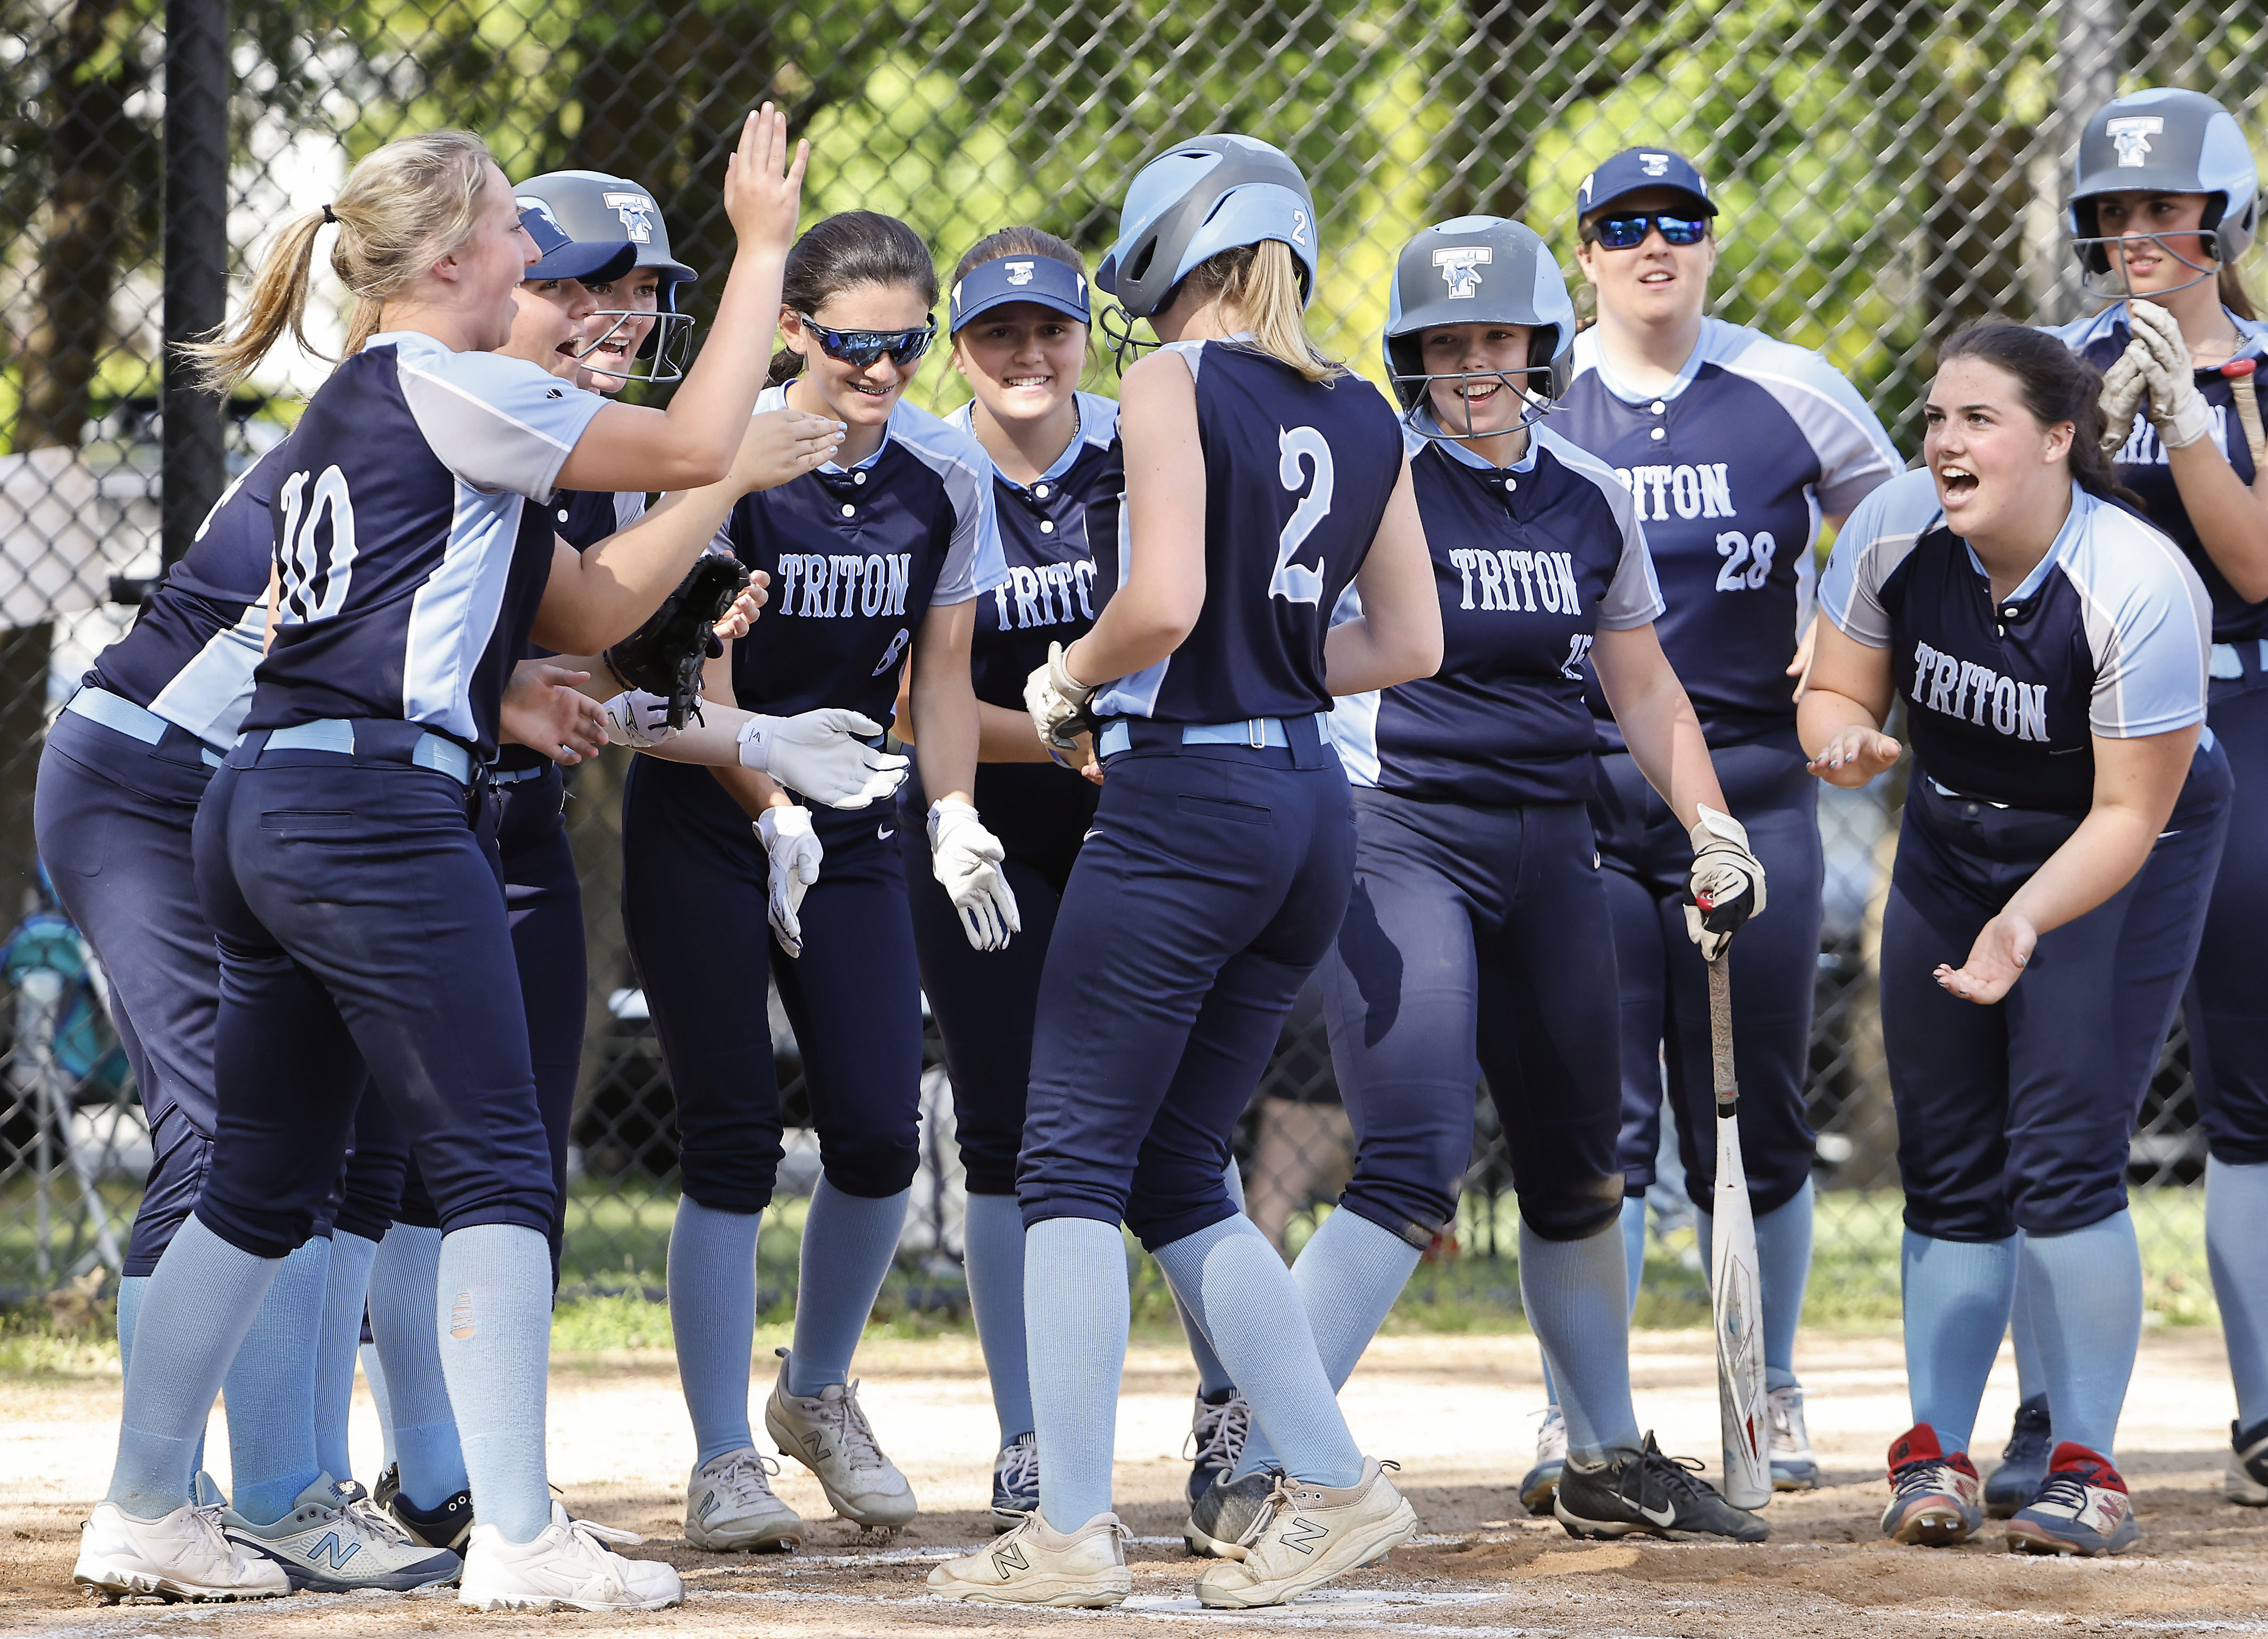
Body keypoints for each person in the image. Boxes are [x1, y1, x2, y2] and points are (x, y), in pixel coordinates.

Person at [71, 109, 811, 1610]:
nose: (534, 253)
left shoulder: (370, 391)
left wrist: (547, 682)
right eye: (517, 234)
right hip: (367, 819)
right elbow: (685, 441)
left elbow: (588, 606)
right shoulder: (452, 381)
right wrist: (763, 246)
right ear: (461, 255)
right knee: (491, 1168)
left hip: (271, 802)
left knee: (259, 1182)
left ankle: (148, 1504)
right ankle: (524, 1532)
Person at [1200, 213, 1770, 1553]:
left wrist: (1712, 822)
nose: (1472, 367)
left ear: (1541, 347)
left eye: (1496, 341)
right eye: (1444, 345)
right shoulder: (1372, 477)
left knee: (1582, 1169)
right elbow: (1278, 631)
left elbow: (1641, 680)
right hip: (1398, 832)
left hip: (1550, 841)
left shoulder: (1585, 492)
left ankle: (1601, 1454)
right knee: (1410, 1152)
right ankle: (1269, 1453)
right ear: (1408, 359)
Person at [926, 132, 1443, 1610]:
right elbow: (1409, 647)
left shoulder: (1168, 380)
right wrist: (1268, 668)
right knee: (1168, 1166)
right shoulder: (1361, 406)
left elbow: (1160, 601)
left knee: (1070, 1158)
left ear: (1169, 252)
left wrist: (1067, 680)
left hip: (1189, 804)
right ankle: (1332, 1479)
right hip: (1303, 809)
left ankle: (1070, 1532)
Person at [352, 179, 871, 1556]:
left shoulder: (598, 439)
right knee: (373, 1165)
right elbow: (538, 633)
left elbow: (580, 665)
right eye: (585, 285)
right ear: (512, 283)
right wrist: (712, 655)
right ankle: (392, 1467)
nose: (617, 318)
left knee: (495, 1156)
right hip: (385, 808)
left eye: (641, 294)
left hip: (501, 808)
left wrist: (675, 650)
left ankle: (443, 1480)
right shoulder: (482, 406)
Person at [621, 208, 1014, 1552]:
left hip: (855, 818)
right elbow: (693, 670)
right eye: (856, 344)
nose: (886, 369)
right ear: (795, 330)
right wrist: (768, 800)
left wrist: (956, 808)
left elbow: (944, 675)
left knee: (875, 1129)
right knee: (731, 1137)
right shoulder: (725, 451)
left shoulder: (942, 476)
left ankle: (815, 1391)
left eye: (909, 344)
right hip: (705, 806)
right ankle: (723, 1454)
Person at [1802, 323, 2228, 1556]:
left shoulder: (2136, 579)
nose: (1943, 441)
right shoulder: (1893, 529)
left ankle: (2087, 1465)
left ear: (2057, 437)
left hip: (2113, 853)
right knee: (1946, 1160)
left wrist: (2024, 921)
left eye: (1977, 418)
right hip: (1952, 833)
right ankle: (1934, 1449)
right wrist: (1848, 741)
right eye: (1935, 416)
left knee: (2064, 1154)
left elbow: (2129, 813)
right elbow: (1833, 693)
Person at [1531, 145, 1903, 1507]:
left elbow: (1896, 507)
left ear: (1708, 240)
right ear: (1584, 251)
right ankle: (1592, 1404)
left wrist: (1838, 633)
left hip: (1751, 776)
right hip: (1585, 784)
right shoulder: (1544, 387)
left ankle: (1770, 1376)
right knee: (1600, 1115)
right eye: (1622, 226)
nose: (1653, 245)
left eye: (1678, 222)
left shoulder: (1788, 385)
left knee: (1755, 1111)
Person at [2012, 86, 2268, 1516]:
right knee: (2070, 1075)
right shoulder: (2057, 366)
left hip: (2245, 698)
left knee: (2253, 1082)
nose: (2136, 237)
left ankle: (2264, 1408)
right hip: (2094, 726)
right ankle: (2051, 1409)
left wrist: (2184, 422)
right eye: (2112, 215)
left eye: (2164, 210)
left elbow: (2257, 568)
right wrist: (2078, 438)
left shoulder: (2258, 374)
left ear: (2224, 218)